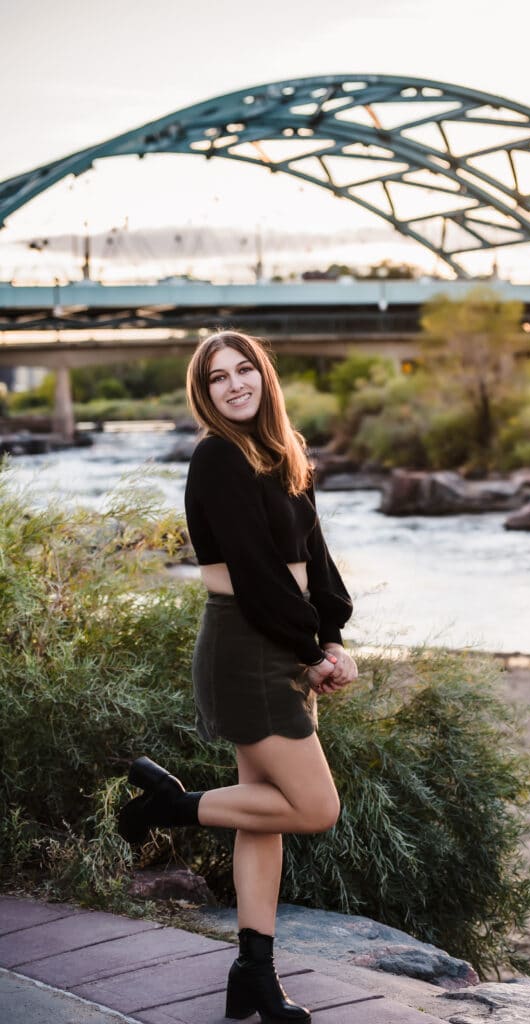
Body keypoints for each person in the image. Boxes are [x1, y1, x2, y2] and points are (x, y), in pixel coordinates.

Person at [117, 330, 357, 1024]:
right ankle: (172, 804)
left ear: (263, 377)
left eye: (243, 370)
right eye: (217, 378)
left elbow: (317, 559)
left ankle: (254, 973)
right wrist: (310, 652)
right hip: (247, 648)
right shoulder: (217, 457)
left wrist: (333, 636)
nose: (234, 385)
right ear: (205, 393)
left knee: (264, 815)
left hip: (277, 644)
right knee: (316, 808)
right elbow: (254, 575)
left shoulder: (283, 454)